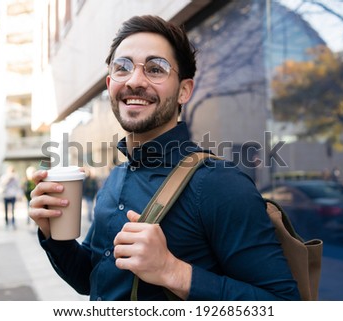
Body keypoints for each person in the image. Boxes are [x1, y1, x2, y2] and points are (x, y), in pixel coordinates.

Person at [29, 15, 300, 301]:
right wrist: (54, 236)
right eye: (122, 68)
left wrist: (174, 272)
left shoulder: (220, 184)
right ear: (110, 84)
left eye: (156, 69)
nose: (134, 81)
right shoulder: (115, 178)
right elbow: (92, 279)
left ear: (184, 90)